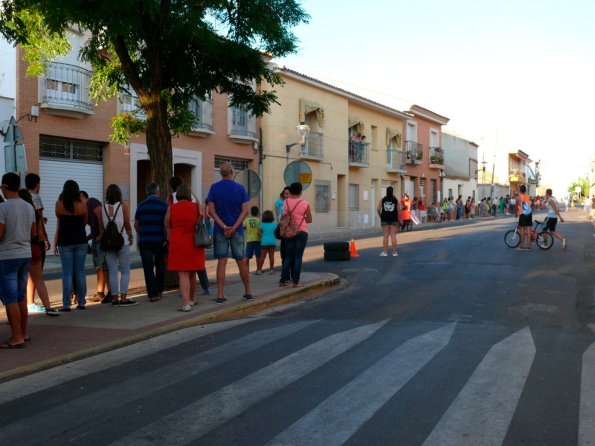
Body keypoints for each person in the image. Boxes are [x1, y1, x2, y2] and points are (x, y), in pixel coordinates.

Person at [207, 162, 252, 303]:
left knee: (222, 261)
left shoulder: (214, 188)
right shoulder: (240, 188)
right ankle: (248, 292)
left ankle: (220, 295)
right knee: (240, 260)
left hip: (220, 230)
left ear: (221, 173)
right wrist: (233, 227)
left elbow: (211, 211)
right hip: (237, 230)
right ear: (232, 172)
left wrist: (224, 226)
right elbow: (245, 210)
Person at [0, 173, 36, 348]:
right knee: (21, 296)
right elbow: (32, 233)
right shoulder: (29, 207)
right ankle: (24, 333)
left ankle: (16, 337)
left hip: (8, 255)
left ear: (6, 187)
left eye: (2, 188)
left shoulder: (3, 208)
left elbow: (0, 234)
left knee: (11, 298)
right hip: (25, 253)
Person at [165, 184, 206, 311]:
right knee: (193, 272)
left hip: (178, 242)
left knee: (183, 273)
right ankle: (192, 299)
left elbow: (167, 223)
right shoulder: (196, 207)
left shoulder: (172, 208)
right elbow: (202, 216)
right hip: (194, 242)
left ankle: (186, 303)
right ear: (189, 195)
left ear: (177, 195)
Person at [19, 189, 59, 317]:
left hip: (21, 248)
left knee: (19, 280)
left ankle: (18, 311)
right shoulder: (35, 213)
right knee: (38, 279)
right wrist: (46, 241)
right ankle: (48, 308)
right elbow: (39, 231)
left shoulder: (15, 212)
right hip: (35, 247)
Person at [54, 180, 88, 311]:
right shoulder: (82, 205)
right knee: (80, 271)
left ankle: (67, 304)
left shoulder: (59, 204)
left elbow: (59, 218)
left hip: (65, 241)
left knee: (67, 273)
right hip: (80, 240)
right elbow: (85, 221)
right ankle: (81, 302)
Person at [101, 184, 137, 306]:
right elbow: (127, 223)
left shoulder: (103, 207)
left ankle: (115, 298)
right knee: (125, 271)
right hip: (123, 242)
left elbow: (103, 226)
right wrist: (130, 236)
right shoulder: (122, 206)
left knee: (112, 271)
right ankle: (124, 298)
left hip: (109, 243)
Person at [135, 182, 168, 303]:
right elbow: (167, 225)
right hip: (159, 240)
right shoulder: (164, 206)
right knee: (160, 266)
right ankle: (159, 290)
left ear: (146, 192)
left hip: (145, 241)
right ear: (158, 192)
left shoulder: (141, 206)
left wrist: (142, 234)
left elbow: (136, 224)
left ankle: (153, 294)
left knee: (148, 268)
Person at [24, 173, 51, 314]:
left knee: (26, 274)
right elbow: (39, 222)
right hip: (35, 240)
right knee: (36, 273)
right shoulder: (36, 199)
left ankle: (28, 302)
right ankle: (31, 302)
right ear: (37, 184)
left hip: (22, 240)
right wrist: (45, 239)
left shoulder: (22, 196)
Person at [81, 191, 113, 304]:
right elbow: (92, 227)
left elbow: (100, 214)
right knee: (98, 267)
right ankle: (100, 293)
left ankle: (111, 292)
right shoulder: (86, 208)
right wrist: (87, 237)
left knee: (103, 266)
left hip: (100, 239)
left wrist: (101, 233)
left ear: (82, 197)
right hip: (96, 239)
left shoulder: (91, 202)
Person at [280, 182, 312, 287]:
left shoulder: (285, 202)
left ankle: (283, 280)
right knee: (298, 257)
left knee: (288, 256)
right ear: (300, 191)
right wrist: (301, 220)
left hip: (289, 232)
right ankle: (296, 282)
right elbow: (310, 219)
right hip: (301, 231)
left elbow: (284, 215)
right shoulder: (305, 203)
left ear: (291, 191)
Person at [377, 186, 399, 256]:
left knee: (385, 235)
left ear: (386, 191)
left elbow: (378, 209)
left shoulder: (383, 199)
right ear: (392, 192)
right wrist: (400, 219)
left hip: (385, 219)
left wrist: (381, 216)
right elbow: (399, 211)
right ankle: (394, 252)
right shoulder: (395, 200)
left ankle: (385, 252)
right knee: (393, 235)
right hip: (394, 219)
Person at [256, 210, 277, 274]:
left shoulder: (262, 225)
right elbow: (276, 232)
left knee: (262, 256)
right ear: (272, 217)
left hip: (264, 242)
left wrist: (263, 235)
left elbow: (258, 233)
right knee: (271, 256)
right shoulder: (274, 224)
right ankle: (271, 270)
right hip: (272, 241)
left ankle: (259, 270)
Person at [243, 206, 261, 273]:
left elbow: (243, 227)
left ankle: (245, 270)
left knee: (247, 255)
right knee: (258, 255)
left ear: (251, 212)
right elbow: (261, 229)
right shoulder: (259, 220)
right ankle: (258, 269)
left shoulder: (247, 220)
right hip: (258, 239)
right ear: (257, 212)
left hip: (249, 239)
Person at [516, 184, 533, 250]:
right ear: (525, 190)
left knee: (522, 230)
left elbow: (517, 205)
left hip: (522, 214)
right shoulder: (527, 196)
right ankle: (529, 245)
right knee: (529, 229)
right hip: (529, 213)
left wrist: (515, 213)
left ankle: (522, 245)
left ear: (520, 190)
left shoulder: (519, 197)